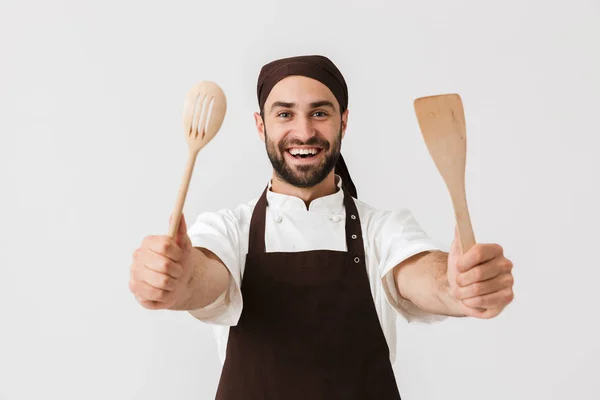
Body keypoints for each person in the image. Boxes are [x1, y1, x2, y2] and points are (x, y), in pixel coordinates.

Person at [129, 55, 515, 399]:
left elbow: (420, 274)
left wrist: (457, 285)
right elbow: (203, 275)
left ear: (343, 122)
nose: (304, 132)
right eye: (284, 114)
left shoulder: (379, 229)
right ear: (261, 126)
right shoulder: (231, 229)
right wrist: (176, 280)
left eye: (319, 113)